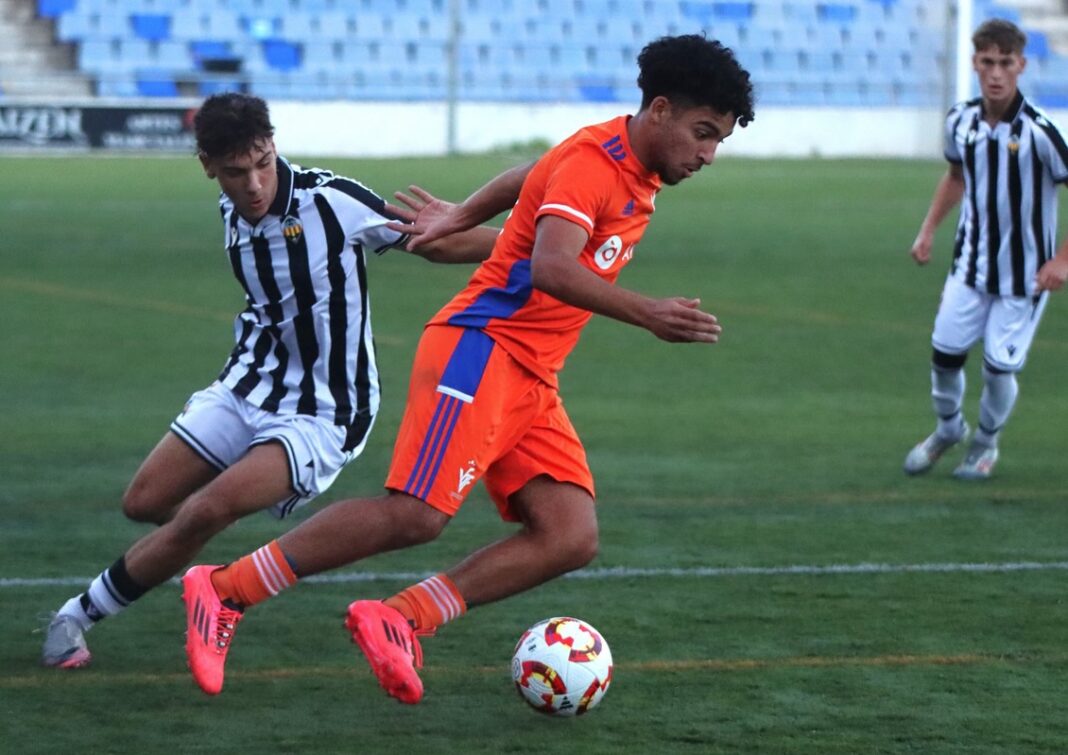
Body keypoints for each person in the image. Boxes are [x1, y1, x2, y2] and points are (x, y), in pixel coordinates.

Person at [181, 34, 755, 700]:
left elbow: (529, 176)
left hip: (532, 374)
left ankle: (401, 616)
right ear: (659, 109)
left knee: (570, 533)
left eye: (718, 141)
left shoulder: (622, 161)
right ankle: (225, 588)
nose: (708, 154)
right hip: (482, 349)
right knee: (417, 514)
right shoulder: (598, 166)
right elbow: (551, 265)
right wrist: (648, 312)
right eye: (703, 133)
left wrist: (462, 211)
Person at [40, 92, 499, 668]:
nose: (254, 183)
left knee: (208, 510)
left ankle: (75, 616)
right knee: (147, 502)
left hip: (326, 407)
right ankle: (185, 543)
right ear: (208, 165)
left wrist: (526, 249)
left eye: (262, 163)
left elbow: (436, 241)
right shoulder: (231, 210)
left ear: (274, 146)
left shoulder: (330, 200)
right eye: (236, 172)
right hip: (248, 383)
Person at [903, 18, 1068, 480]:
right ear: (975, 64)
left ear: (1021, 66)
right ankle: (948, 428)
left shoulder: (1039, 132)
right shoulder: (961, 120)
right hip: (969, 268)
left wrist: (1062, 260)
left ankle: (986, 444)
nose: (995, 73)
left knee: (998, 370)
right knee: (944, 357)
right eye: (987, 62)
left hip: (1025, 276)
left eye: (1005, 63)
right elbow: (957, 176)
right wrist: (928, 229)